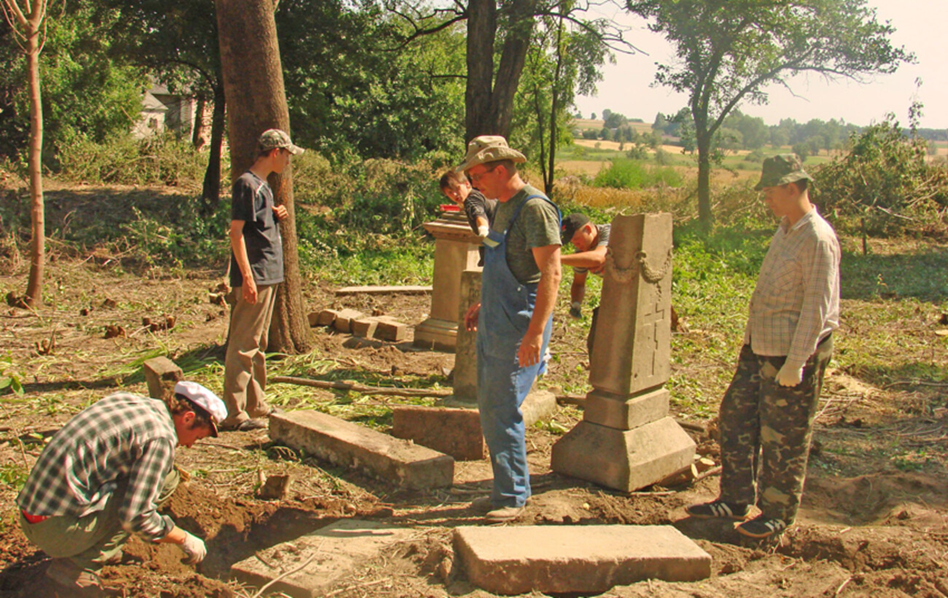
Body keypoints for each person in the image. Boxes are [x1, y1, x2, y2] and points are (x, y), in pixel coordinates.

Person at [686, 155, 840, 540]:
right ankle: (735, 498)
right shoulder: (786, 229)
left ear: (793, 188)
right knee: (735, 418)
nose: (766, 199)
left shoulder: (818, 238)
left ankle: (777, 512)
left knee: (783, 435)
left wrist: (796, 362)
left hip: (792, 353)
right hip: (760, 347)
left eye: (771, 192)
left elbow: (816, 308)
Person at [17, 381, 227, 595]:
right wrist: (183, 538)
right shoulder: (160, 438)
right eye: (197, 437)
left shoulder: (130, 401)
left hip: (32, 514)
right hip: (57, 530)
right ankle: (77, 567)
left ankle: (91, 545)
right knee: (166, 481)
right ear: (188, 418)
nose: (191, 445)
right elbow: (136, 518)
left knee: (149, 481)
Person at [459, 136, 561, 523]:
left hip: (519, 325)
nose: (473, 183)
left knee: (502, 408)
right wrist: (485, 303)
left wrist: (535, 335)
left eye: (477, 175)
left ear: (500, 169)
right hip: (495, 318)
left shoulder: (535, 209)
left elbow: (551, 273)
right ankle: (506, 488)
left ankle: (513, 496)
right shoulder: (502, 207)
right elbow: (513, 266)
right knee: (491, 406)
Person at [222, 128, 303, 431]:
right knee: (243, 344)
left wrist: (274, 213)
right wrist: (247, 276)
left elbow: (255, 221)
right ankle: (235, 412)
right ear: (274, 152)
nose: (287, 160)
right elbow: (236, 232)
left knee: (258, 342)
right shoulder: (247, 184)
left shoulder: (262, 187)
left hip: (268, 273)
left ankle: (256, 404)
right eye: (286, 155)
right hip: (254, 274)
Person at [559, 213, 610, 357]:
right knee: (596, 339)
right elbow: (579, 283)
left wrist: (555, 258)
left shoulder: (609, 232)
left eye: (576, 239)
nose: (576, 244)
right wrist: (576, 304)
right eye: (572, 242)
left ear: (588, 228)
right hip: (617, 292)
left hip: (640, 287)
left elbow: (598, 258)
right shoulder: (582, 252)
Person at [439, 170, 497, 266]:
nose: (454, 194)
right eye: (450, 192)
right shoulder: (481, 195)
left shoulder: (471, 200)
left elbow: (479, 215)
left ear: (467, 184)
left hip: (495, 256)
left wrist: (483, 231)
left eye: (457, 188)